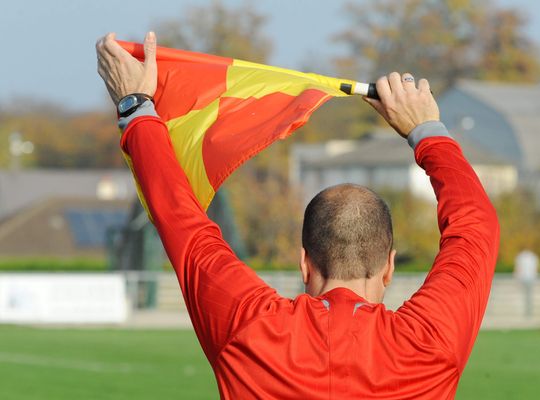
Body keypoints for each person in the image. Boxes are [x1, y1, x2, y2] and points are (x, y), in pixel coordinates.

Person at [96, 32, 500, 399]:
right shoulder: (429, 343)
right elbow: (476, 227)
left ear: (304, 261)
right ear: (389, 265)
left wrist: (137, 106)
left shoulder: (252, 327)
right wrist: (426, 130)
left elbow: (179, 217)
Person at [514, 249, 540, 318]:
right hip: (527, 278)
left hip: (527, 278)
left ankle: (528, 312)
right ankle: (527, 312)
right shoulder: (531, 256)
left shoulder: (522, 256)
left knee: (528, 297)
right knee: (527, 297)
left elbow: (517, 268)